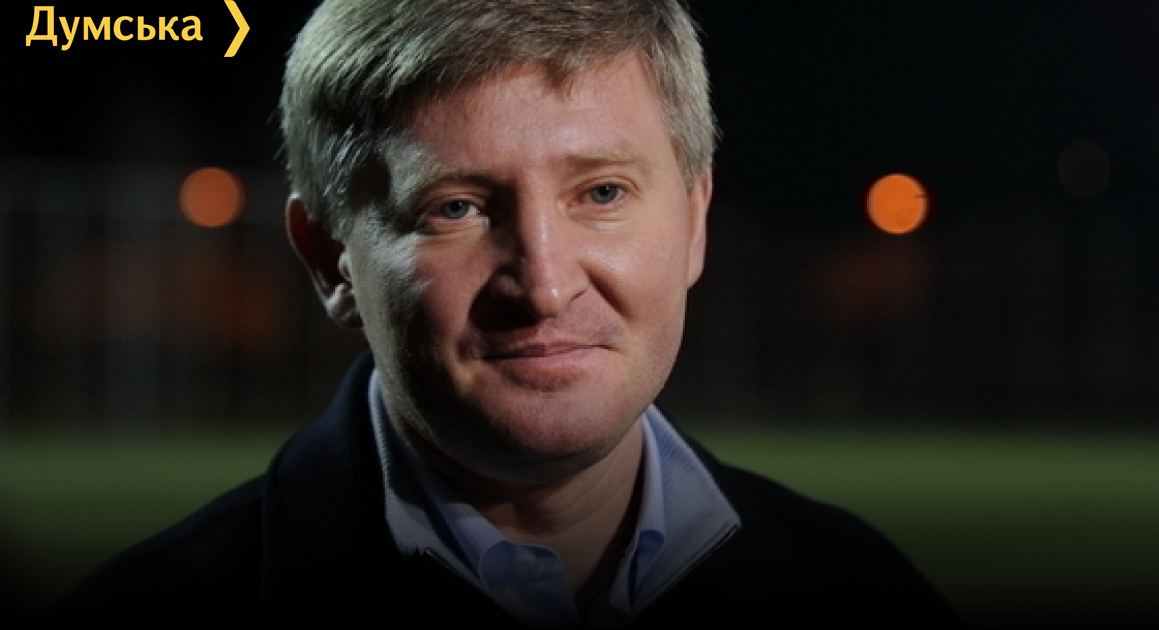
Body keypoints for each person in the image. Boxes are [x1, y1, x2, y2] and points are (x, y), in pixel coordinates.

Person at [57, 0, 957, 624]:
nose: (545, 285)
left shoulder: (868, 593)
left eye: (601, 193)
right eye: (455, 207)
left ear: (694, 221)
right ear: (330, 260)